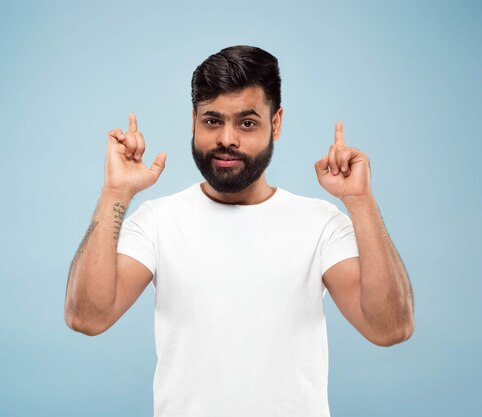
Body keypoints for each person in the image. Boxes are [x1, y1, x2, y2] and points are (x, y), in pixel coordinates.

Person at [65, 45, 414, 417]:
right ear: (194, 120)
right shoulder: (158, 221)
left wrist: (360, 201)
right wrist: (115, 193)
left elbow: (390, 328)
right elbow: (87, 317)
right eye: (212, 121)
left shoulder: (320, 224)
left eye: (247, 123)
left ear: (275, 124)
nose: (227, 138)